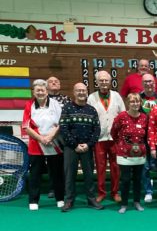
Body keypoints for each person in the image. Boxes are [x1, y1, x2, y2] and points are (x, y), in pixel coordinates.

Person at [60, 83, 103, 212]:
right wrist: (75, 145)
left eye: (83, 90)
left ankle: (91, 200)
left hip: (87, 148)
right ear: (74, 92)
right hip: (70, 148)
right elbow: (63, 128)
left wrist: (88, 145)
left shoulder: (92, 110)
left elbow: (97, 129)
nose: (81, 93)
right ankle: (69, 201)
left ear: (86, 92)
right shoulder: (67, 108)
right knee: (69, 175)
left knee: (89, 175)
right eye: (78, 90)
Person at [22, 79, 64, 211]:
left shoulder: (55, 104)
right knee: (35, 174)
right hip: (36, 145)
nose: (40, 92)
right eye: (37, 90)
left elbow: (61, 124)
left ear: (47, 91)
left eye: (42, 90)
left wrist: (50, 137)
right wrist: (41, 138)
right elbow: (26, 127)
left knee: (57, 173)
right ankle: (33, 200)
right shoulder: (29, 105)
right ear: (33, 92)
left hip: (54, 143)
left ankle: (60, 198)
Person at [87, 70, 125, 203]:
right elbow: (89, 117)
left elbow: (123, 116)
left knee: (115, 167)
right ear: (97, 82)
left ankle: (115, 192)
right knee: (100, 167)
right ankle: (101, 192)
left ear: (110, 82)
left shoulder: (117, 96)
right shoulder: (91, 97)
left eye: (106, 80)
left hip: (115, 138)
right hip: (99, 138)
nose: (104, 83)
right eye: (101, 80)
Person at [111, 93, 147, 214]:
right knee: (125, 179)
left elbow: (146, 135)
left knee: (138, 179)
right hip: (124, 154)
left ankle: (137, 202)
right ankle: (124, 203)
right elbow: (113, 132)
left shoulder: (144, 117)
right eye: (132, 101)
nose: (135, 104)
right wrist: (121, 145)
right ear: (128, 103)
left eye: (137, 101)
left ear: (140, 103)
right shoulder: (121, 116)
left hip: (140, 155)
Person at [139, 73, 157, 203]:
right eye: (146, 82)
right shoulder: (137, 98)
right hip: (142, 138)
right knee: (145, 166)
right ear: (142, 83)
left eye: (151, 81)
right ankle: (148, 191)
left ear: (154, 83)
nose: (149, 84)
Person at [46, 76, 71, 199]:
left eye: (57, 81)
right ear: (47, 86)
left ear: (60, 85)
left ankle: (66, 187)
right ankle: (53, 188)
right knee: (52, 164)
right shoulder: (42, 100)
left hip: (64, 136)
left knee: (65, 163)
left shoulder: (67, 99)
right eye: (51, 82)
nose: (54, 83)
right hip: (49, 137)